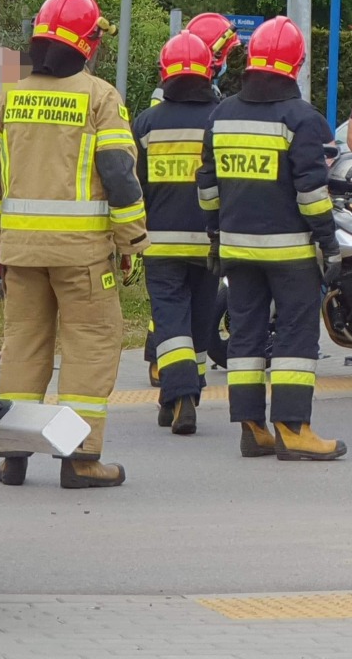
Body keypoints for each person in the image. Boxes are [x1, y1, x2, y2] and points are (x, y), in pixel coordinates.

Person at [0, 0, 148, 488]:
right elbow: (119, 174)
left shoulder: (7, 94)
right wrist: (132, 242)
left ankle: (13, 455)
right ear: (89, 43)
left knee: (23, 345)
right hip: (81, 254)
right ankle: (80, 460)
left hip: (20, 249)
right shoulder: (100, 97)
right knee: (89, 346)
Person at [196, 16, 345, 462]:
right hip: (291, 252)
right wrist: (329, 244)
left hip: (237, 248)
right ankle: (294, 428)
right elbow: (313, 194)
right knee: (295, 339)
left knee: (245, 337)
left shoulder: (221, 115)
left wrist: (215, 234)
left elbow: (206, 185)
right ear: (295, 65)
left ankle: (252, 428)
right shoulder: (303, 119)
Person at [133, 30, 224, 436]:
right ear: (209, 72)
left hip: (161, 241)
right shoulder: (221, 118)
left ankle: (178, 393)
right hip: (209, 239)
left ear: (164, 72)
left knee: (171, 320)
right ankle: (182, 393)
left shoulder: (147, 123)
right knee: (202, 320)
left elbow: (134, 185)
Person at [145, 12, 240, 383]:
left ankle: (178, 382)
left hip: (166, 227)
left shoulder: (155, 114)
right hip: (199, 225)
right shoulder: (213, 113)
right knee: (181, 308)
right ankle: (169, 368)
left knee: (173, 306)